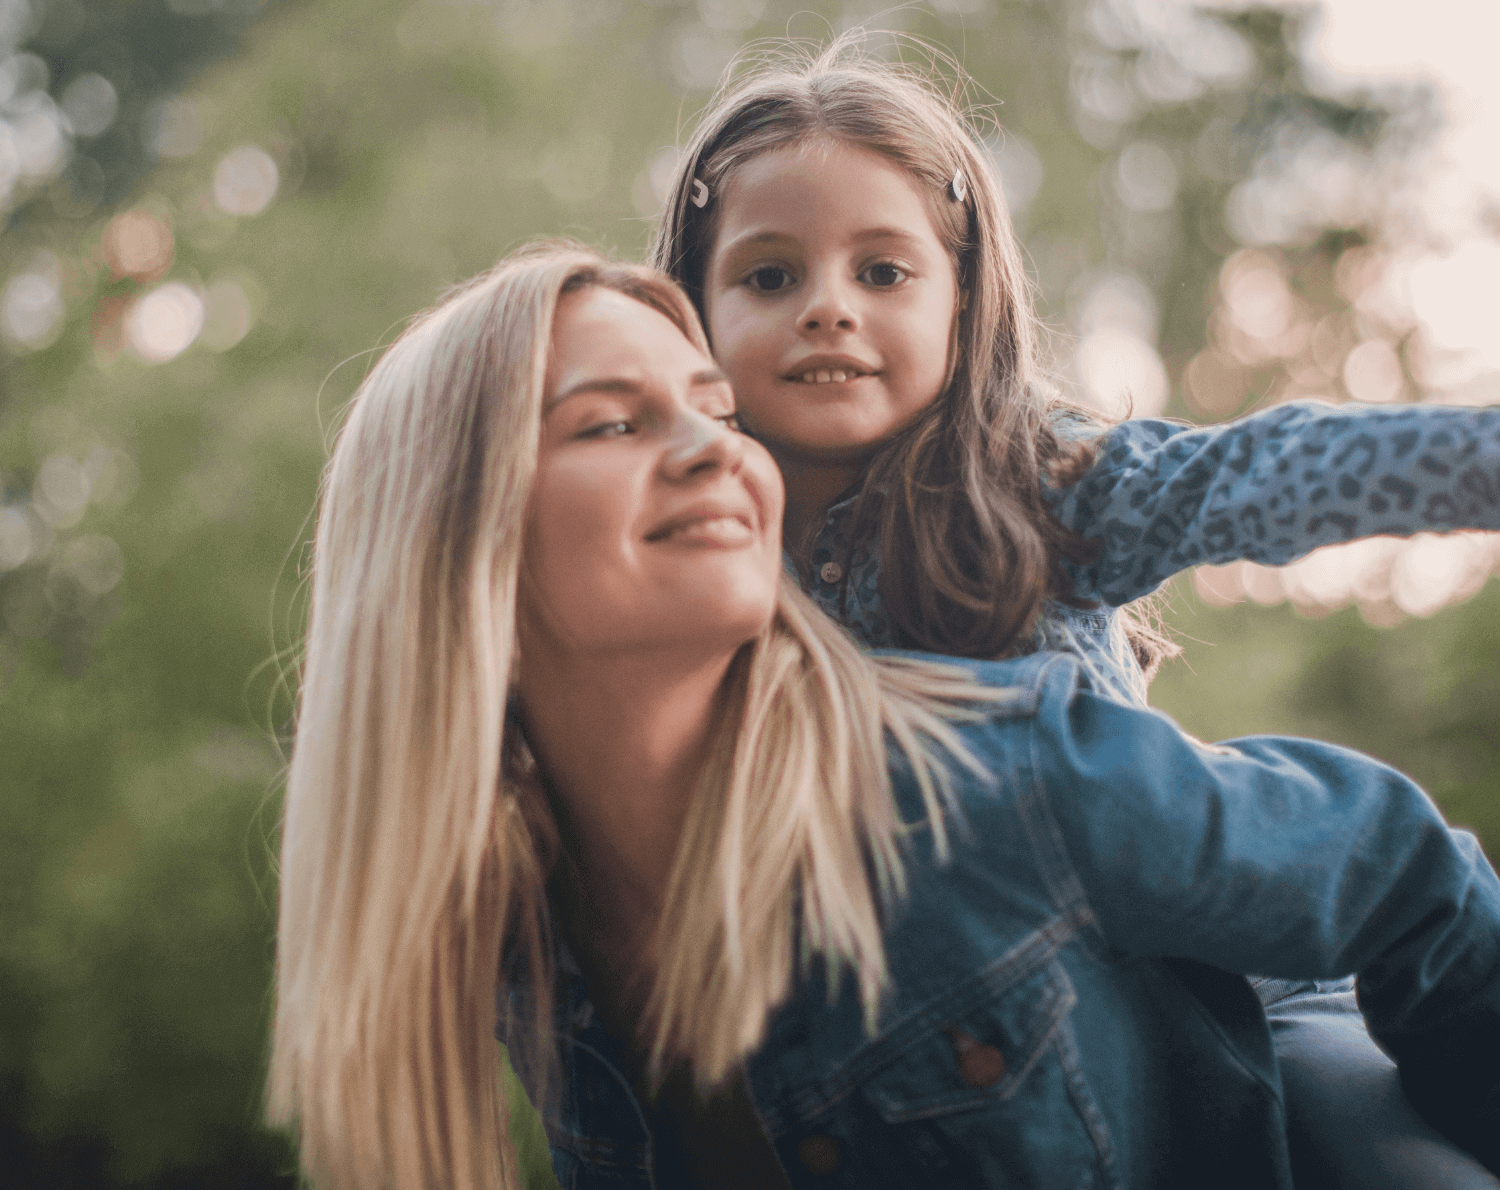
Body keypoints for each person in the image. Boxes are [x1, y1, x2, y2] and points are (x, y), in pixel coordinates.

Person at [269, 243, 1500, 1190]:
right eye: (614, 423)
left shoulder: (987, 773)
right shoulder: (525, 956)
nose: (717, 450)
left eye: (715, 411)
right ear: (452, 546)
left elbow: (1404, 875)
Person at [645, 34, 1500, 1187]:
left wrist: (1472, 462)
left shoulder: (1029, 481)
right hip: (982, 1063)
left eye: (883, 272)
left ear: (963, 300)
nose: (828, 309)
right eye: (769, 277)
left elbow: (1244, 477)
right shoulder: (698, 571)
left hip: (1227, 986)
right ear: (689, 317)